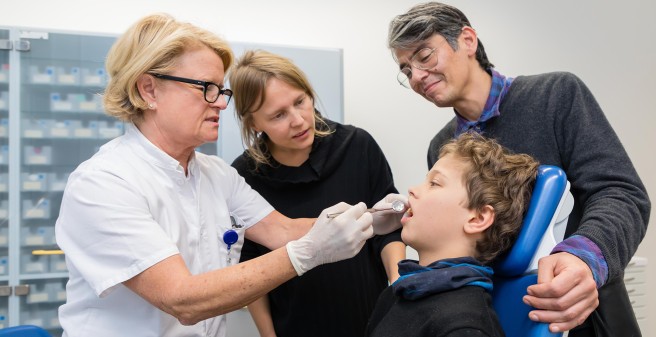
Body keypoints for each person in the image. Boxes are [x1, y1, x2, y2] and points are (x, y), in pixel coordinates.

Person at [54, 13, 376, 337]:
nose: (221, 103)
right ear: (149, 90)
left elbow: (283, 230)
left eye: (221, 89)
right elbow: (182, 299)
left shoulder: (216, 175)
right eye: (206, 88)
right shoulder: (104, 183)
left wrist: (377, 218)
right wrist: (308, 253)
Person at [386, 2, 651, 336]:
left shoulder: (554, 96)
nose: (417, 77)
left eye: (424, 56)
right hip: (496, 316)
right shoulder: (441, 148)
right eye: (406, 70)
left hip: (580, 306)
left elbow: (621, 193)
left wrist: (583, 258)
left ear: (467, 40)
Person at [228, 49, 407, 337]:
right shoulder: (243, 177)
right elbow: (249, 268)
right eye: (278, 115)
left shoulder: (357, 146)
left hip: (372, 322)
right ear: (253, 123)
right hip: (296, 326)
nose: (298, 120)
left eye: (300, 101)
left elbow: (388, 229)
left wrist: (399, 289)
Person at [366, 132, 539, 337]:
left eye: (435, 183)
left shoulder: (464, 326)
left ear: (478, 219)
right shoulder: (394, 295)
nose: (412, 189)